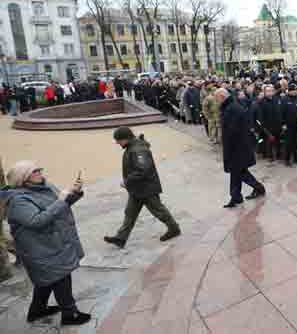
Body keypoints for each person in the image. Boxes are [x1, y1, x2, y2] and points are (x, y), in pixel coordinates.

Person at [1, 161, 92, 326]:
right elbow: (37, 221)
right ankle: (70, 314)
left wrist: (74, 193)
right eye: (35, 171)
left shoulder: (45, 186)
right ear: (23, 178)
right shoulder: (18, 200)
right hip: (41, 248)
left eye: (39, 169)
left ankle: (37, 310)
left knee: (47, 279)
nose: (40, 172)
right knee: (61, 277)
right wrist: (61, 201)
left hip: (53, 243)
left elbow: (61, 205)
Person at [103, 127, 181, 248]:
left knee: (158, 210)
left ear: (125, 138)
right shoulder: (132, 147)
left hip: (147, 188)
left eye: (118, 140)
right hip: (137, 189)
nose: (117, 143)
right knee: (130, 213)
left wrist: (127, 181)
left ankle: (174, 228)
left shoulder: (138, 150)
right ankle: (121, 238)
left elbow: (143, 170)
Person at [217, 88, 266, 207]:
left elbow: (233, 131)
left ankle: (258, 188)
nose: (216, 100)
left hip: (237, 148)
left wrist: (228, 147)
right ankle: (236, 197)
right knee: (236, 173)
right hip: (237, 147)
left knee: (240, 172)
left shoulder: (232, 108)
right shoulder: (230, 107)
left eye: (217, 97)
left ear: (222, 97)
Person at [256, 85, 282, 160]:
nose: (270, 92)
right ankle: (270, 156)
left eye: (271, 91)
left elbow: (279, 111)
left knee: (278, 141)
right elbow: (260, 116)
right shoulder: (261, 102)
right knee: (269, 142)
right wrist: (263, 127)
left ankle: (278, 154)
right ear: (264, 92)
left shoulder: (276, 99)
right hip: (267, 126)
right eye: (268, 91)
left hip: (277, 125)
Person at [281, 84, 297, 167]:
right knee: (288, 143)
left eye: (296, 90)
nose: (295, 91)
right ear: (289, 91)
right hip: (288, 125)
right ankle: (287, 159)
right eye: (293, 90)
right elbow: (281, 112)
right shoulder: (284, 99)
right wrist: (283, 123)